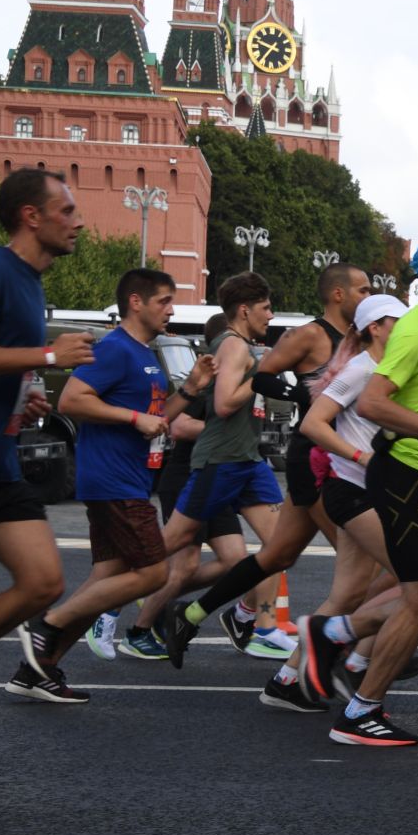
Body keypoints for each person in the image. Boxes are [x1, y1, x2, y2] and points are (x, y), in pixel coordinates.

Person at [301, 236, 418, 745]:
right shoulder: (414, 331)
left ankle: (334, 633)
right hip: (402, 474)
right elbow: (373, 406)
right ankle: (361, 712)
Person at [12, 269, 211, 698]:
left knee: (104, 580)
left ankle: (36, 669)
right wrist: (133, 417)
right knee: (155, 572)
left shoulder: (145, 352)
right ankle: (44, 625)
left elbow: (158, 419)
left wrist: (191, 389)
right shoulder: (117, 348)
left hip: (130, 478)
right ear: (136, 302)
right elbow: (72, 400)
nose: (171, 309)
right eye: (164, 300)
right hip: (113, 480)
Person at [165, 263, 369, 652]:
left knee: (278, 554)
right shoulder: (307, 335)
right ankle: (356, 655)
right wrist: (299, 396)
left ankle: (197, 616)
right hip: (309, 461)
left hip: (276, 461)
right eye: (362, 289)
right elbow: (258, 379)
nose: (368, 297)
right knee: (359, 566)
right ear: (339, 294)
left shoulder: (358, 340)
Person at [0, 170, 94, 671]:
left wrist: (24, 391)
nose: (78, 222)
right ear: (32, 217)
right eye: (67, 211)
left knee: (43, 584)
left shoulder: (30, 282)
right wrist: (50, 357)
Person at [263, 292, 409, 712]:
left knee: (347, 594)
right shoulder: (360, 369)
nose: (404, 329)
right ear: (375, 328)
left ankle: (287, 679)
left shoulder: (385, 369)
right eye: (395, 322)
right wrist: (361, 456)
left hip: (368, 491)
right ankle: (357, 657)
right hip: (355, 490)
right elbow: (313, 423)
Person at [152, 272, 288, 664]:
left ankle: (228, 616)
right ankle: (103, 607)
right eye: (265, 308)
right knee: (166, 546)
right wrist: (262, 377)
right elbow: (226, 403)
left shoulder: (244, 345)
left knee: (280, 548)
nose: (271, 315)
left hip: (247, 462)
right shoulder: (231, 346)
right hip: (220, 463)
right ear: (244, 310)